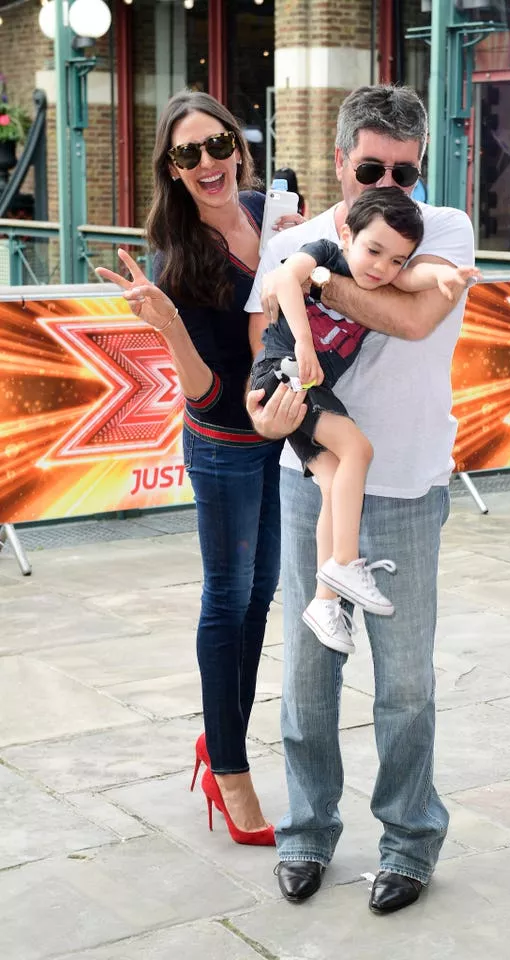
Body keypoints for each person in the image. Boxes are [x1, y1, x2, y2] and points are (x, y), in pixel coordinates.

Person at [245, 84, 475, 913]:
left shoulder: (438, 227)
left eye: (404, 171)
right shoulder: (304, 237)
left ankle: (409, 842)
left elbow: (412, 323)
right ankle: (307, 833)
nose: (390, 183)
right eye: (371, 166)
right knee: (310, 673)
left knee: (406, 682)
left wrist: (313, 274)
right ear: (342, 162)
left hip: (410, 483)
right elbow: (261, 340)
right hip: (312, 476)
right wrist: (268, 405)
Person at [96, 90, 304, 847]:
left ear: (238, 146)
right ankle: (231, 772)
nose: (209, 163)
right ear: (173, 170)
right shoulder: (175, 258)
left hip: (279, 436)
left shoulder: (269, 210)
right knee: (228, 598)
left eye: (218, 144)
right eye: (189, 155)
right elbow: (210, 393)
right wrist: (173, 325)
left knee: (261, 597)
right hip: (222, 443)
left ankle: (219, 744)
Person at [250, 188, 479, 655]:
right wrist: (304, 345)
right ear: (347, 235)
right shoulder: (325, 253)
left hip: (306, 387)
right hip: (285, 375)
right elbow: (286, 282)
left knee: (335, 484)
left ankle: (325, 601)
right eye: (373, 251)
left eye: (394, 260)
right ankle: (345, 563)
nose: (380, 268)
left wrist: (447, 276)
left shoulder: (384, 280)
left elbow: (415, 278)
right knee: (359, 450)